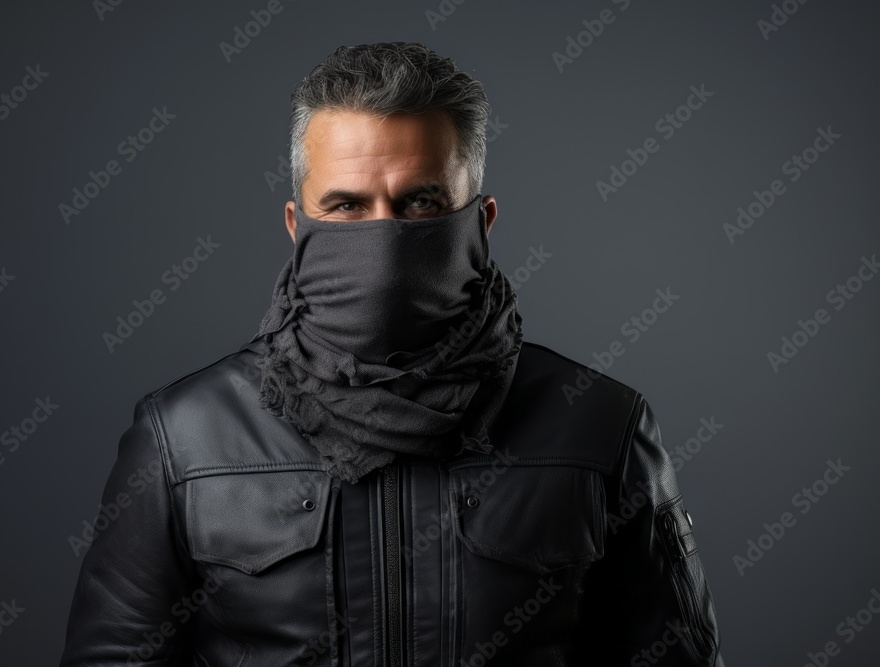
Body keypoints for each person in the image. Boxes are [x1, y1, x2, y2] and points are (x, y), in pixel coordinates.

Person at [59, 41, 725, 666]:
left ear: (480, 221)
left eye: (421, 202)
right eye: (346, 206)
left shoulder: (601, 426)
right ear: (297, 226)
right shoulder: (183, 438)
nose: (384, 238)